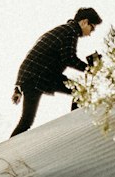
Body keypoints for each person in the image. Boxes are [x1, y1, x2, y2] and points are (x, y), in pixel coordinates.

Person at [10, 8, 102, 137]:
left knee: (26, 121)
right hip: (41, 77)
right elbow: (68, 58)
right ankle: (76, 128)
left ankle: (6, 150)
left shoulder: (64, 30)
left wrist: (18, 87)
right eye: (92, 28)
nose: (90, 33)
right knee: (80, 92)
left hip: (39, 77)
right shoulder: (70, 32)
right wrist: (89, 69)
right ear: (85, 22)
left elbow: (29, 58)